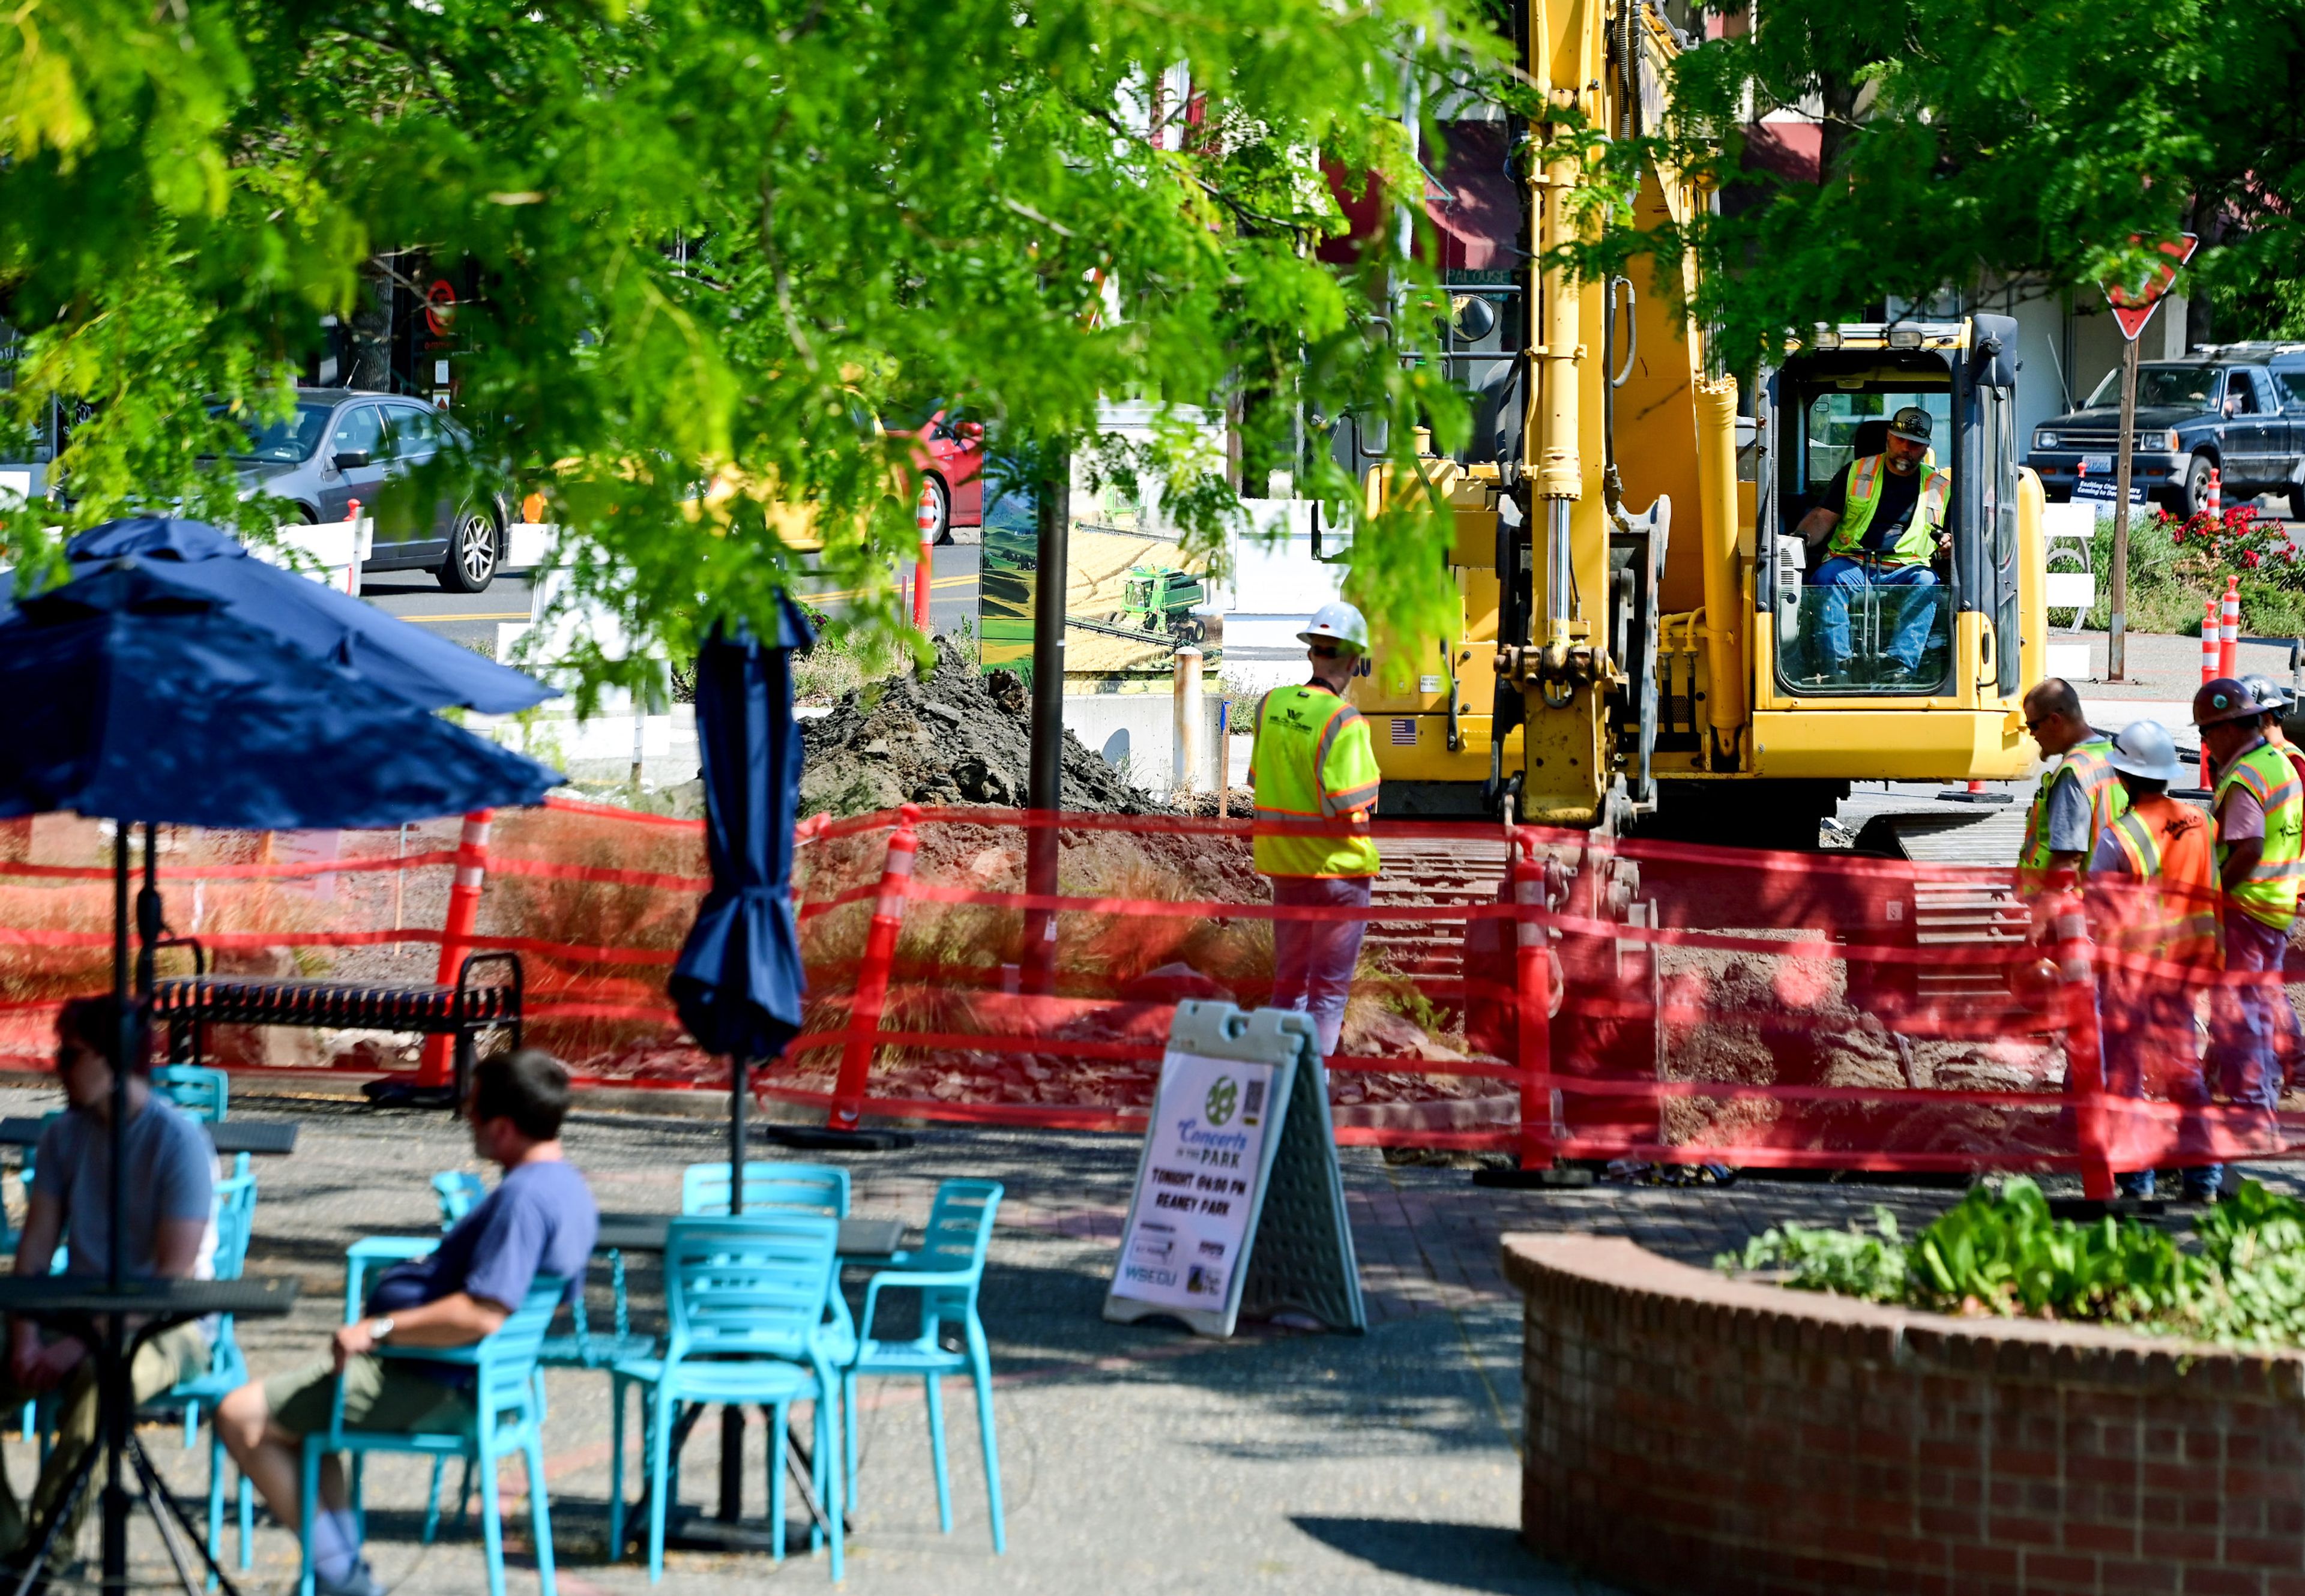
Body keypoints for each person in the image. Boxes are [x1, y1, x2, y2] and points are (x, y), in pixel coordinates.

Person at [215, 1051, 597, 1596]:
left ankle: (344, 1581)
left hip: (435, 1383)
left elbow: (483, 1312)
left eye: (473, 1106)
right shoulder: (569, 1188)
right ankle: (338, 1574)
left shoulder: (524, 1200)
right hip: (473, 1381)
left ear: (504, 1126)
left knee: (241, 1414)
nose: (466, 1114)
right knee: (302, 1430)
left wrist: (381, 1329)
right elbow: (548, 1303)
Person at [0, 996, 216, 1562]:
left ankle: (46, 1548)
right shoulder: (62, 1137)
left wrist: (73, 1347)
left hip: (170, 1324)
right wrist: (24, 1336)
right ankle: (9, 1541)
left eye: (69, 1055)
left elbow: (169, 1283)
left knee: (102, 1380)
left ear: (112, 1060)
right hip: (76, 1307)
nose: (57, 1066)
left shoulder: (178, 1142)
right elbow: (35, 1254)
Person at [2085, 721, 2222, 1200]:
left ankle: (2137, 1180)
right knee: (2184, 1071)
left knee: (2125, 1076)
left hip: (2133, 974)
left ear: (2122, 775)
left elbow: (2095, 910)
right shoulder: (2202, 821)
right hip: (2186, 969)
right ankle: (2204, 1178)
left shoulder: (2118, 837)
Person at [1249, 601, 1382, 1057]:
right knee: (1327, 996)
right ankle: (1313, 1092)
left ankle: (1275, 1085)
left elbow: (1259, 780)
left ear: (1312, 653)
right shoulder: (1345, 722)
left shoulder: (1270, 706)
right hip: (1338, 876)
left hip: (1285, 870)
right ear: (1354, 661)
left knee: (1288, 988)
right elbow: (1353, 804)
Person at [2195, 677, 2304, 1190]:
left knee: (2240, 1011)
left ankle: (2249, 1109)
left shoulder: (2244, 778)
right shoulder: (2279, 762)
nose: (2205, 744)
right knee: (2258, 1004)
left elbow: (2248, 848)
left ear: (2227, 728)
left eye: (2207, 733)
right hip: (2276, 905)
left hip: (2246, 906)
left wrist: (2212, 893)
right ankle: (2248, 1097)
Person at [1792, 406, 1953, 686]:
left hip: (1908, 568)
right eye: (1900, 440)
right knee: (1826, 579)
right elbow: (1822, 517)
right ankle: (1838, 668)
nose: (1906, 448)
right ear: (1889, 439)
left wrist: (1950, 546)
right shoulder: (1855, 472)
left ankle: (1900, 666)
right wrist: (1798, 541)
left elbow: (1952, 536)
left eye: (1915, 444)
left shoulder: (1940, 486)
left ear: (1926, 448)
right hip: (1853, 563)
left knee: (1928, 581)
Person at [2017, 677, 2128, 890]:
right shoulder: (2110, 755)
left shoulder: (2073, 773)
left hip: (2077, 908)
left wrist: (2044, 914)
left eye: (2033, 725)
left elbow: (2067, 860)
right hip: (2110, 898)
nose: (2031, 734)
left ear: (2055, 721)